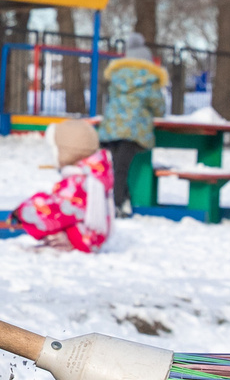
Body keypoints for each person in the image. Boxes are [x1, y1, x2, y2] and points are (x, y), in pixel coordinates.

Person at [14, 118, 114, 252]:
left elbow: (58, 210)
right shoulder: (95, 175)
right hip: (91, 237)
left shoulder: (79, 181)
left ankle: (64, 242)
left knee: (40, 215)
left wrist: (23, 211)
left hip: (82, 239)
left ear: (67, 151)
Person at [98, 33, 168, 214]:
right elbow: (159, 108)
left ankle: (122, 201)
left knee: (117, 166)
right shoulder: (149, 79)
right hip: (134, 128)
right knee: (121, 168)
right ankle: (117, 204)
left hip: (112, 126)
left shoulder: (117, 76)